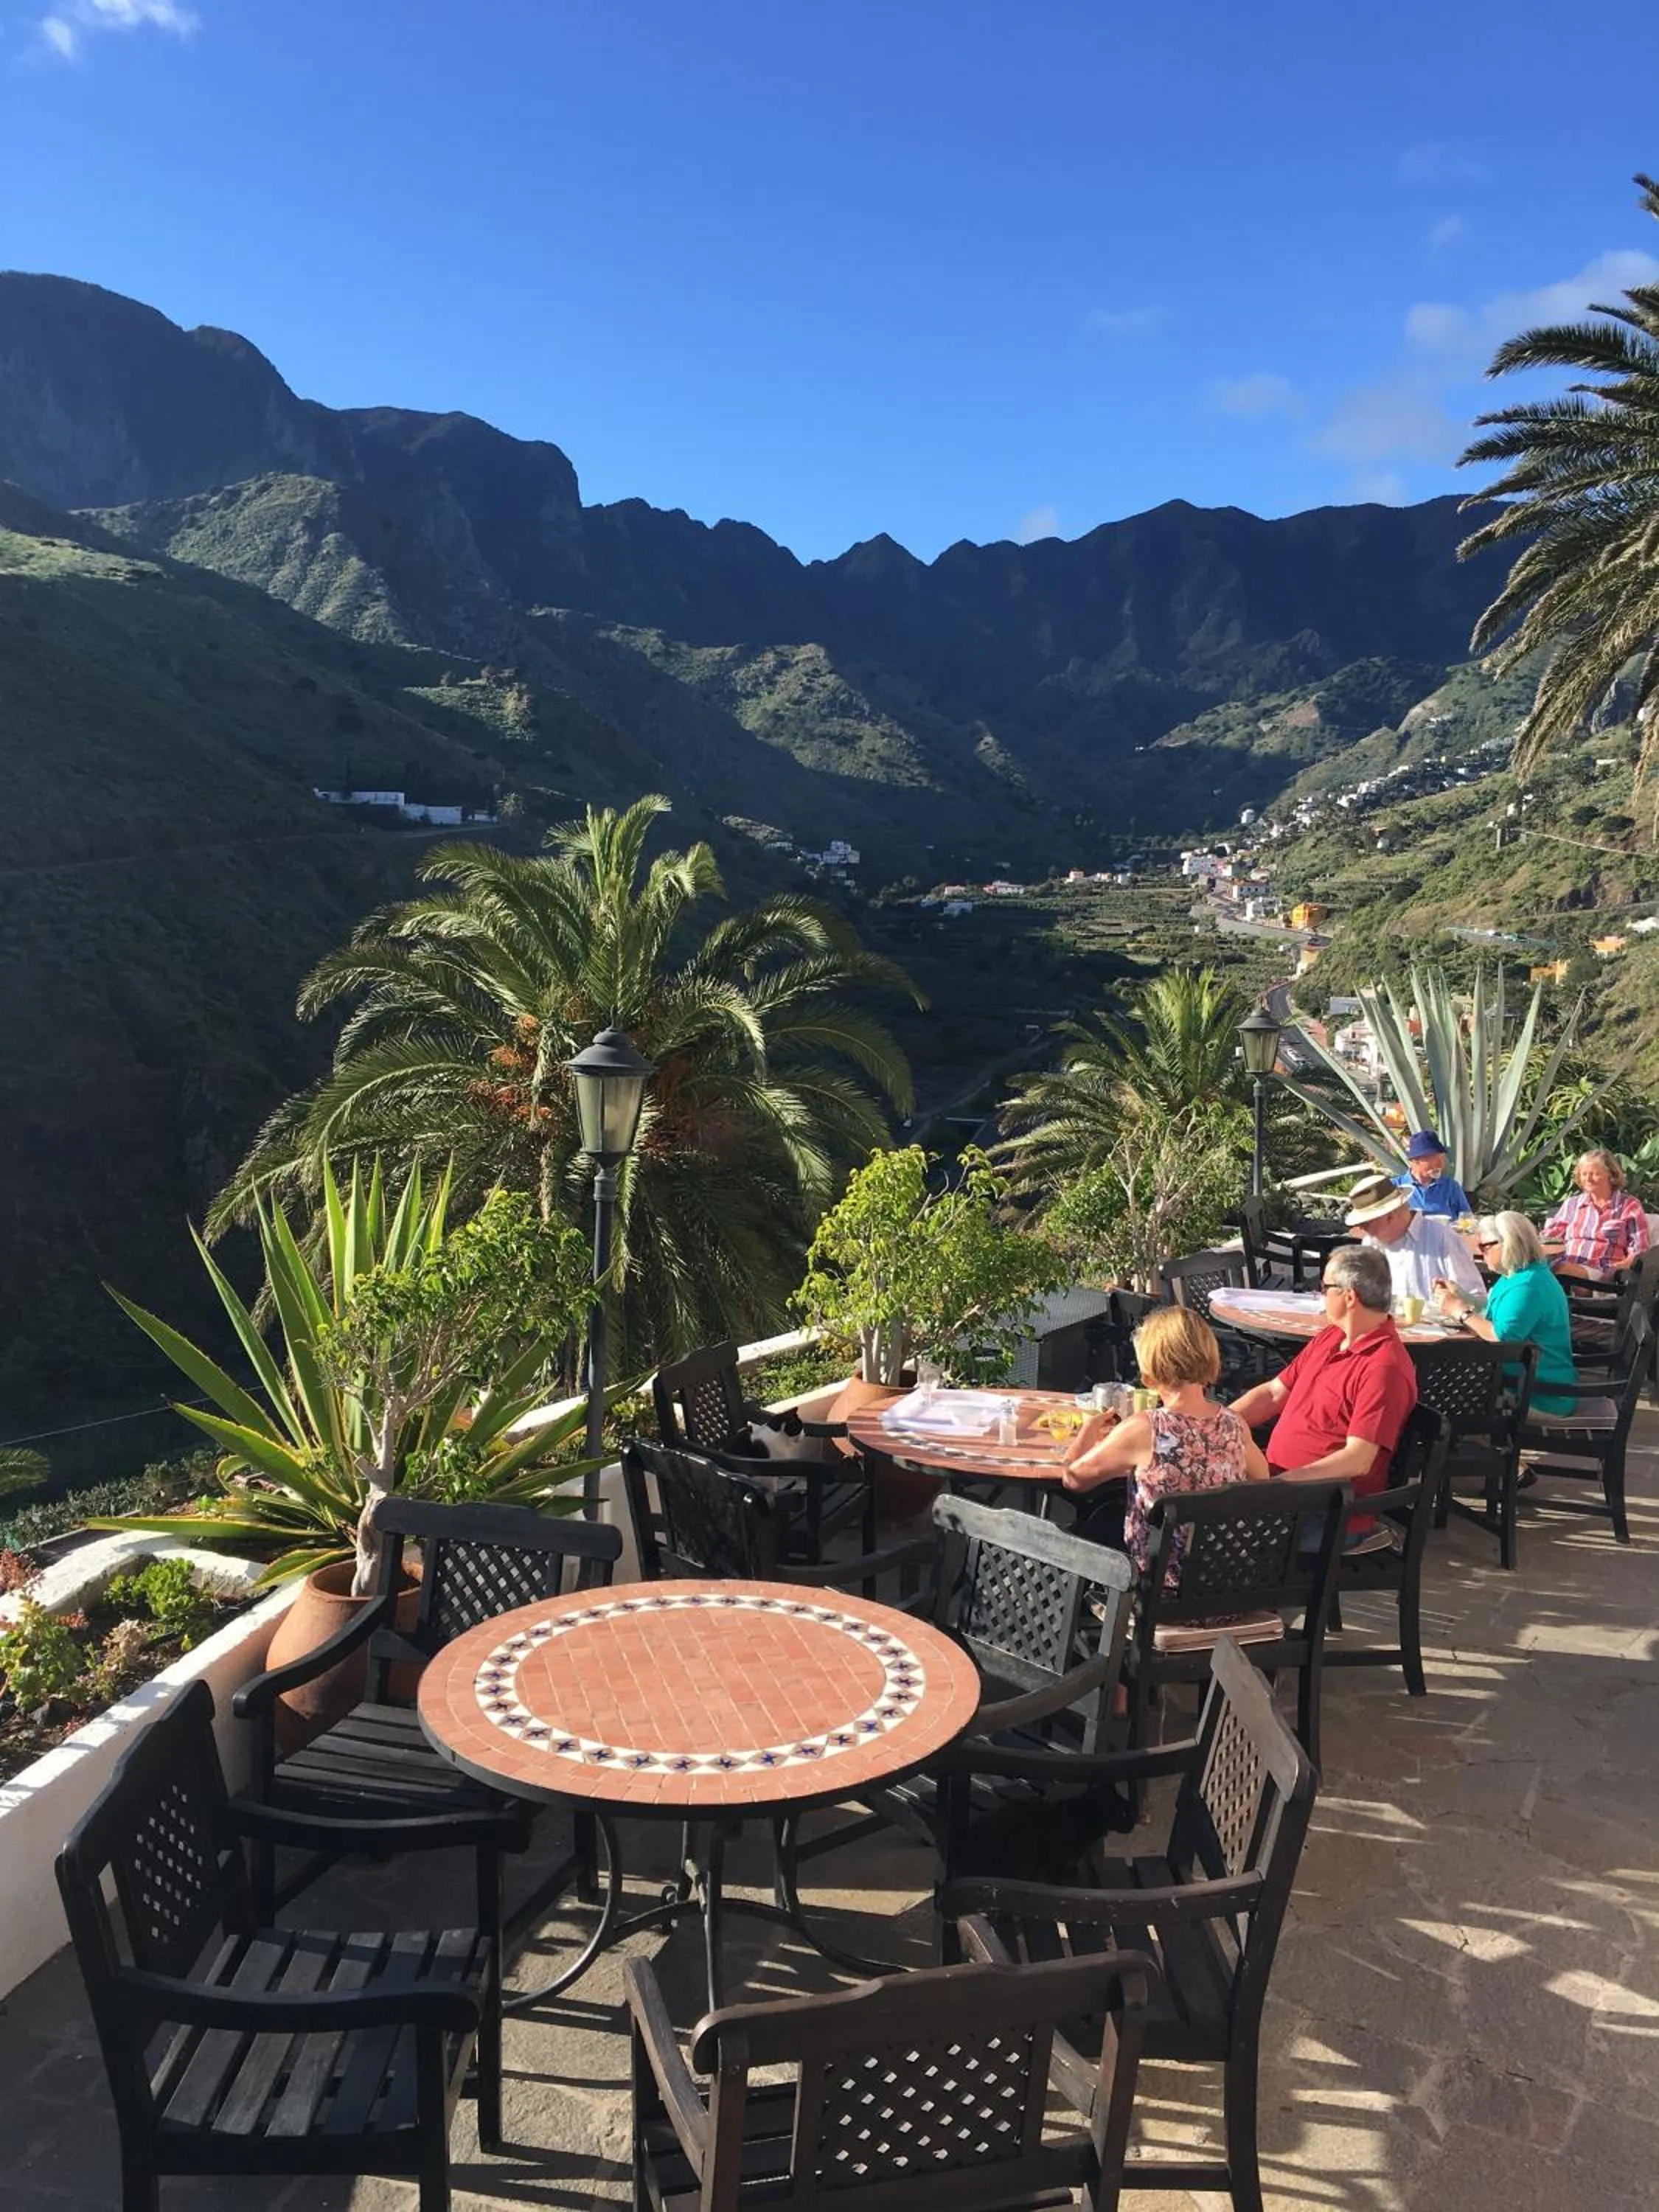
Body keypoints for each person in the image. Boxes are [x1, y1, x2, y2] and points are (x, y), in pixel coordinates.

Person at [1061, 1307, 1270, 1585]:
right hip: (1223, 1588)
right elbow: (1262, 1478)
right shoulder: (1235, 1425)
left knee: (1091, 1525)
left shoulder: (1146, 1429)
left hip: (1159, 1593)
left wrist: (1087, 1431)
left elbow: (1073, 1479)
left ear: (1148, 1379)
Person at [1228, 1242, 1419, 1537]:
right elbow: (1274, 1394)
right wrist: (1212, 1425)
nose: (1321, 1294)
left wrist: (1280, 1486)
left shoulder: (1384, 1368)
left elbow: (1358, 1459)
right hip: (1282, 1488)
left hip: (1326, 1510)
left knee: (1205, 1530)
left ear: (1349, 1297)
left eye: (1325, 1287)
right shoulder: (1332, 1336)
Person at [1431, 1210, 1578, 1416]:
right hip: (1523, 1381)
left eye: (1485, 1246)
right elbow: (1494, 1314)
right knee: (1444, 1383)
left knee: (1442, 1394)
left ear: (1507, 1243)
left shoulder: (1527, 1286)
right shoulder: (1516, 1275)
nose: (1480, 1252)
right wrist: (1462, 1296)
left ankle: (1465, 1441)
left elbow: (1501, 1337)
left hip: (1538, 1394)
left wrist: (1461, 1312)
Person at [1344, 1172, 1485, 1305]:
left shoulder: (1443, 1239)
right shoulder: (1371, 1243)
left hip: (1437, 1328)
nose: (1362, 1229)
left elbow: (1477, 1301)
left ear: (1390, 1217)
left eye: (1366, 1223)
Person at [1543, 1147, 1650, 1282]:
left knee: (1559, 1271)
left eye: (1595, 1174)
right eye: (1584, 1174)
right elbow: (1550, 1238)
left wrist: (1617, 1269)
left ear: (1611, 1175)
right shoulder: (1572, 1204)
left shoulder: (1629, 1205)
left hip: (1606, 1272)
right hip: (1569, 1265)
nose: (1588, 1179)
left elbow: (1640, 1251)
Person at [1392, 1129, 1471, 1220]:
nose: (1440, 1164)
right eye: (1433, 1159)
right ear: (1415, 1160)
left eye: (1442, 1158)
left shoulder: (1451, 1186)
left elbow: (1467, 1219)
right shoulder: (1394, 1187)